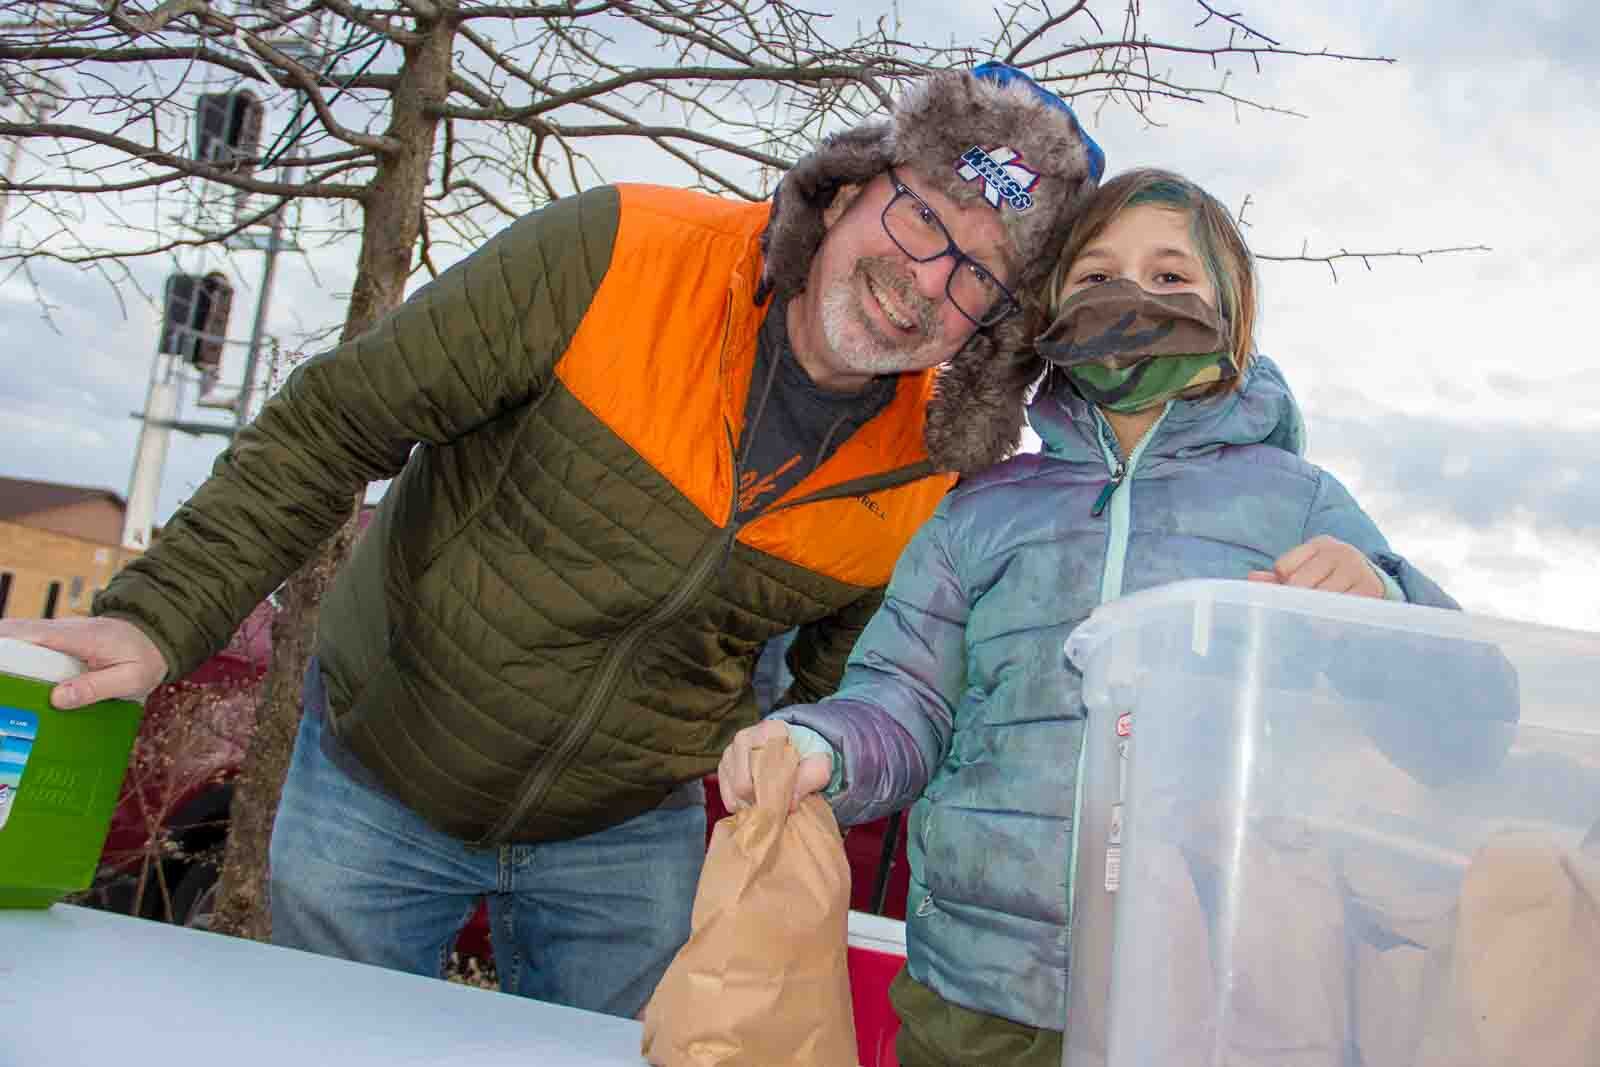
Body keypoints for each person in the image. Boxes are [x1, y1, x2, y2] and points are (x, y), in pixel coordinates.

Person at [0, 64, 1105, 1017]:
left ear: (993, 324)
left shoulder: (929, 471)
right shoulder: (622, 253)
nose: (922, 284)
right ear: (855, 185)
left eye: (976, 277)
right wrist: (158, 614)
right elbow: (339, 421)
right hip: (382, 778)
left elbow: (850, 685)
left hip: (627, 839)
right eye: (921, 221)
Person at [717, 168, 1478, 1065]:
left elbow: (1463, 724)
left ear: (1231, 313)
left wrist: (1381, 603)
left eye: (1169, 277)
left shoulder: (1298, 502)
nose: (1129, 296)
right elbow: (902, 700)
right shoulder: (981, 511)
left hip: (1212, 1004)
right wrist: (821, 746)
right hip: (976, 998)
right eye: (1096, 276)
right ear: (1048, 313)